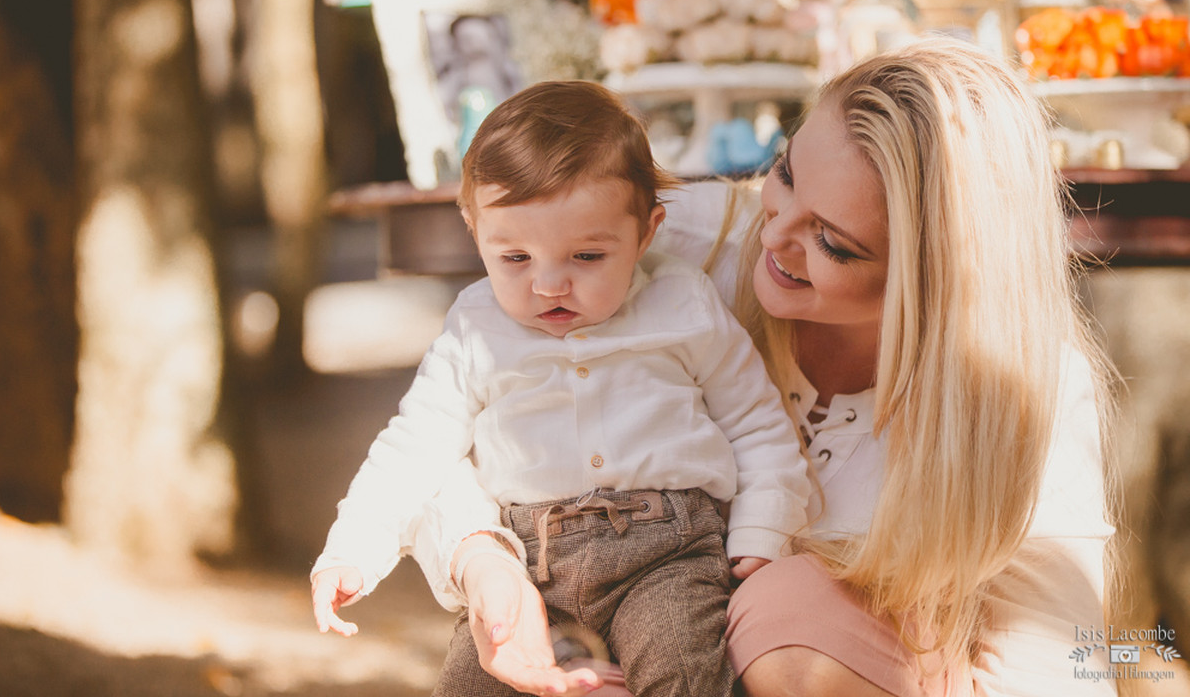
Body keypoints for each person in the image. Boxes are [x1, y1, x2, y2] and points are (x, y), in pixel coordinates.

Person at [393, 38, 1120, 697]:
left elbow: (1056, 662)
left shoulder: (1025, 388)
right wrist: (481, 557)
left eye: (834, 243)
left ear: (938, 280)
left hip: (875, 676)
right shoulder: (669, 245)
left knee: (785, 613)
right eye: (786, 172)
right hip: (628, 643)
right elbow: (448, 420)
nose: (775, 231)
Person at [310, 80, 813, 696]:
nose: (550, 285)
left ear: (646, 232)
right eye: (516, 258)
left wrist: (762, 532)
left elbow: (758, 424)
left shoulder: (683, 302)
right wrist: (354, 549)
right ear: (475, 230)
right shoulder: (475, 329)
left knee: (684, 671)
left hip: (665, 551)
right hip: (525, 562)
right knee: (469, 684)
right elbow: (413, 446)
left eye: (587, 257)